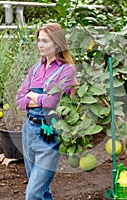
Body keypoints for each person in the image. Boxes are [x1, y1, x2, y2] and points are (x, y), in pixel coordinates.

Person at [15, 23, 76, 200]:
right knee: (41, 189)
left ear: (57, 44)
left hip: (50, 130)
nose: (40, 44)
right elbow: (19, 99)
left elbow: (54, 101)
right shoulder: (35, 69)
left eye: (45, 41)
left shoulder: (66, 70)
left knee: (33, 193)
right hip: (29, 130)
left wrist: (33, 97)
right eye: (39, 40)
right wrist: (40, 99)